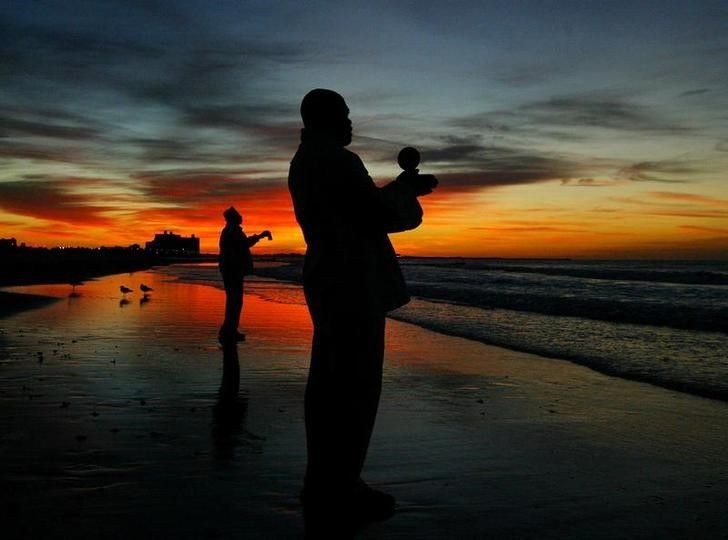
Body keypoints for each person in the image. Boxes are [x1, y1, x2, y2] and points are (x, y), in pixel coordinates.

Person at [288, 88, 436, 529]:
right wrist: (406, 190)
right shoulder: (334, 160)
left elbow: (358, 210)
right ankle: (341, 487)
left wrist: (398, 190)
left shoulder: (307, 160)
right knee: (354, 388)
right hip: (352, 283)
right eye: (345, 115)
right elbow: (374, 213)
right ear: (325, 118)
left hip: (331, 280)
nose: (351, 122)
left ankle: (325, 483)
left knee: (331, 385)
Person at [218, 206, 271, 342]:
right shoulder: (232, 231)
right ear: (234, 218)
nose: (241, 217)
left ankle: (228, 330)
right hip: (232, 270)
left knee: (233, 300)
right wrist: (261, 235)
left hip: (231, 269)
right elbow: (244, 244)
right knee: (235, 300)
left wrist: (260, 236)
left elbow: (243, 244)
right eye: (238, 215)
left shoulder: (230, 230)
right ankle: (229, 331)